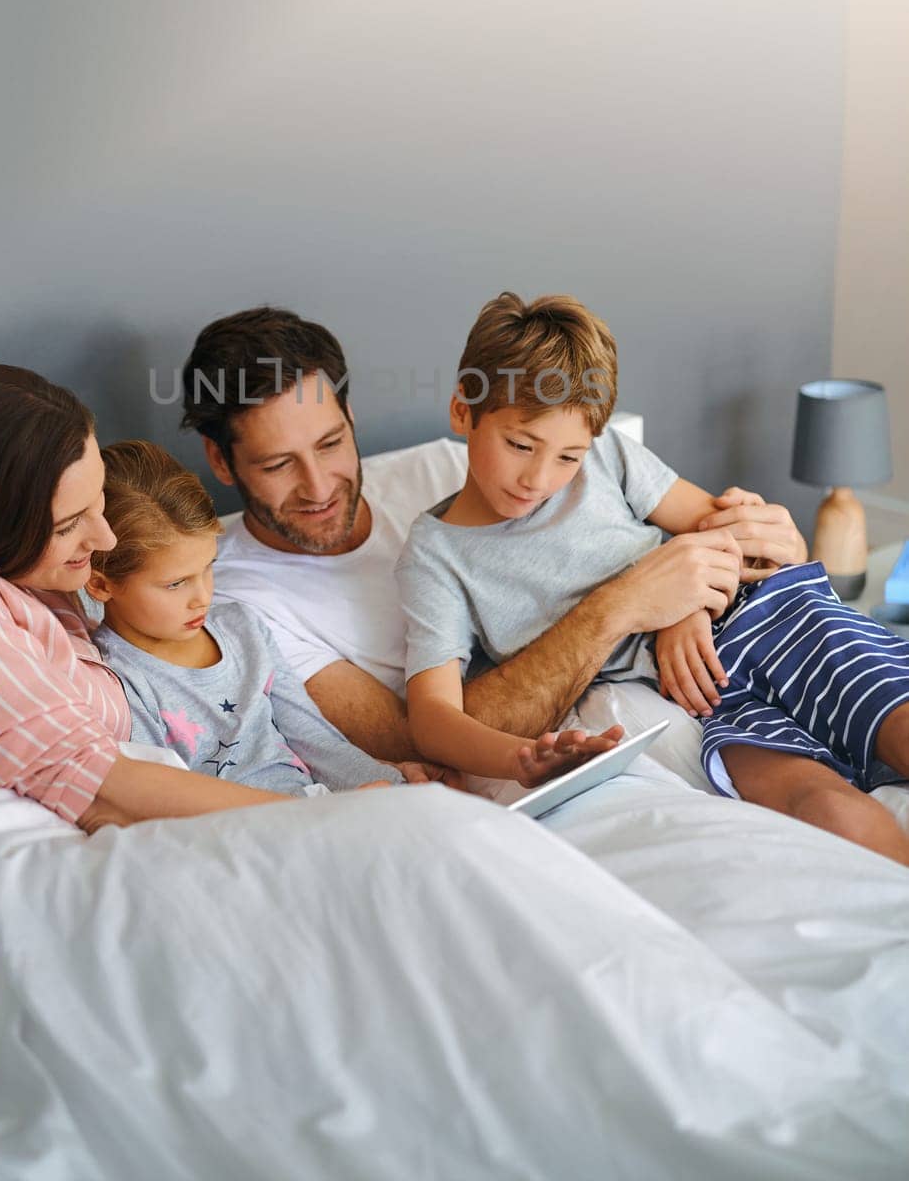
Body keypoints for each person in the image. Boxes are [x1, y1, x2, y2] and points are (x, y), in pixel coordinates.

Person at [398, 292, 909, 866]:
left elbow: (718, 528)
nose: (539, 478)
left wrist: (683, 607)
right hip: (698, 690)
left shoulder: (608, 455)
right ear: (463, 410)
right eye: (520, 445)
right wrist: (519, 757)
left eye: (567, 457)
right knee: (820, 804)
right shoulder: (435, 556)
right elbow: (432, 719)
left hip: (770, 616)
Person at [182, 307, 806, 762]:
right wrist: (626, 605)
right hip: (563, 737)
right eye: (278, 464)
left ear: (352, 417)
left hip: (691, 666)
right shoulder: (239, 600)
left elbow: (664, 539)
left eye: (331, 443)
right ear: (220, 461)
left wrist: (706, 585)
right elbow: (413, 736)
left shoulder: (465, 467)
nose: (319, 486)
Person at [0, 366, 321, 830]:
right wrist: (312, 822)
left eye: (97, 505)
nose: (105, 538)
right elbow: (82, 779)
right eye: (70, 523)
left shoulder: (41, 587)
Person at [88, 439, 618, 793]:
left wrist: (385, 781)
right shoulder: (117, 679)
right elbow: (168, 798)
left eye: (208, 568)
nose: (201, 596)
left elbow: (312, 736)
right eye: (175, 583)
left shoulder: (240, 626)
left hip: (323, 805)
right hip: (250, 832)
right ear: (100, 582)